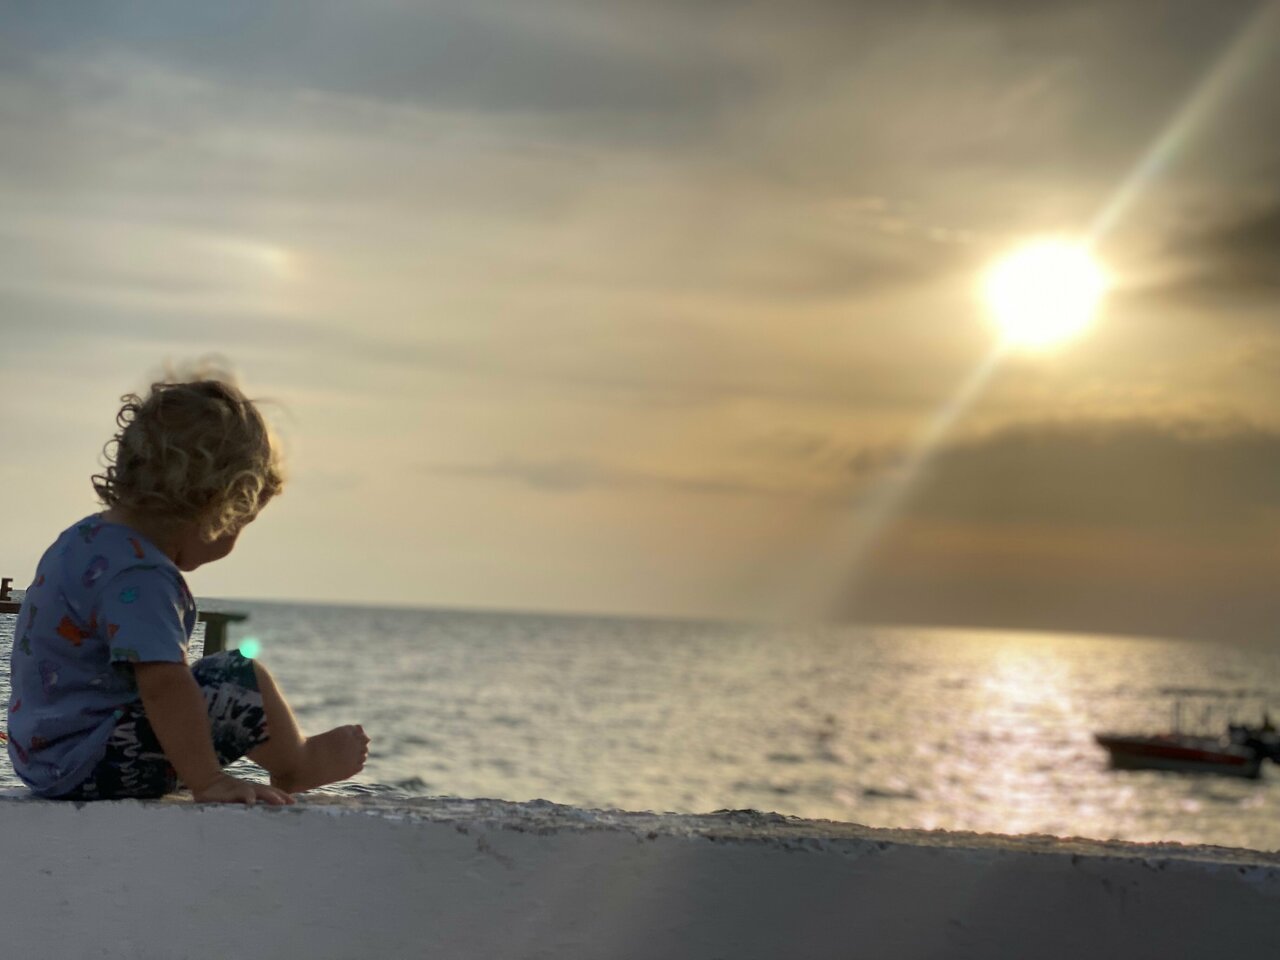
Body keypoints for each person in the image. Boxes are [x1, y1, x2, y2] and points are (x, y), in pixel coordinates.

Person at [5, 374, 369, 805]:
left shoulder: (82, 540)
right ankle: (297, 761)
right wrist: (208, 781)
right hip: (93, 764)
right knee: (235, 675)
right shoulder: (141, 574)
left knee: (198, 684)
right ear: (216, 507)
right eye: (241, 523)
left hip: (46, 761)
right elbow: (163, 685)